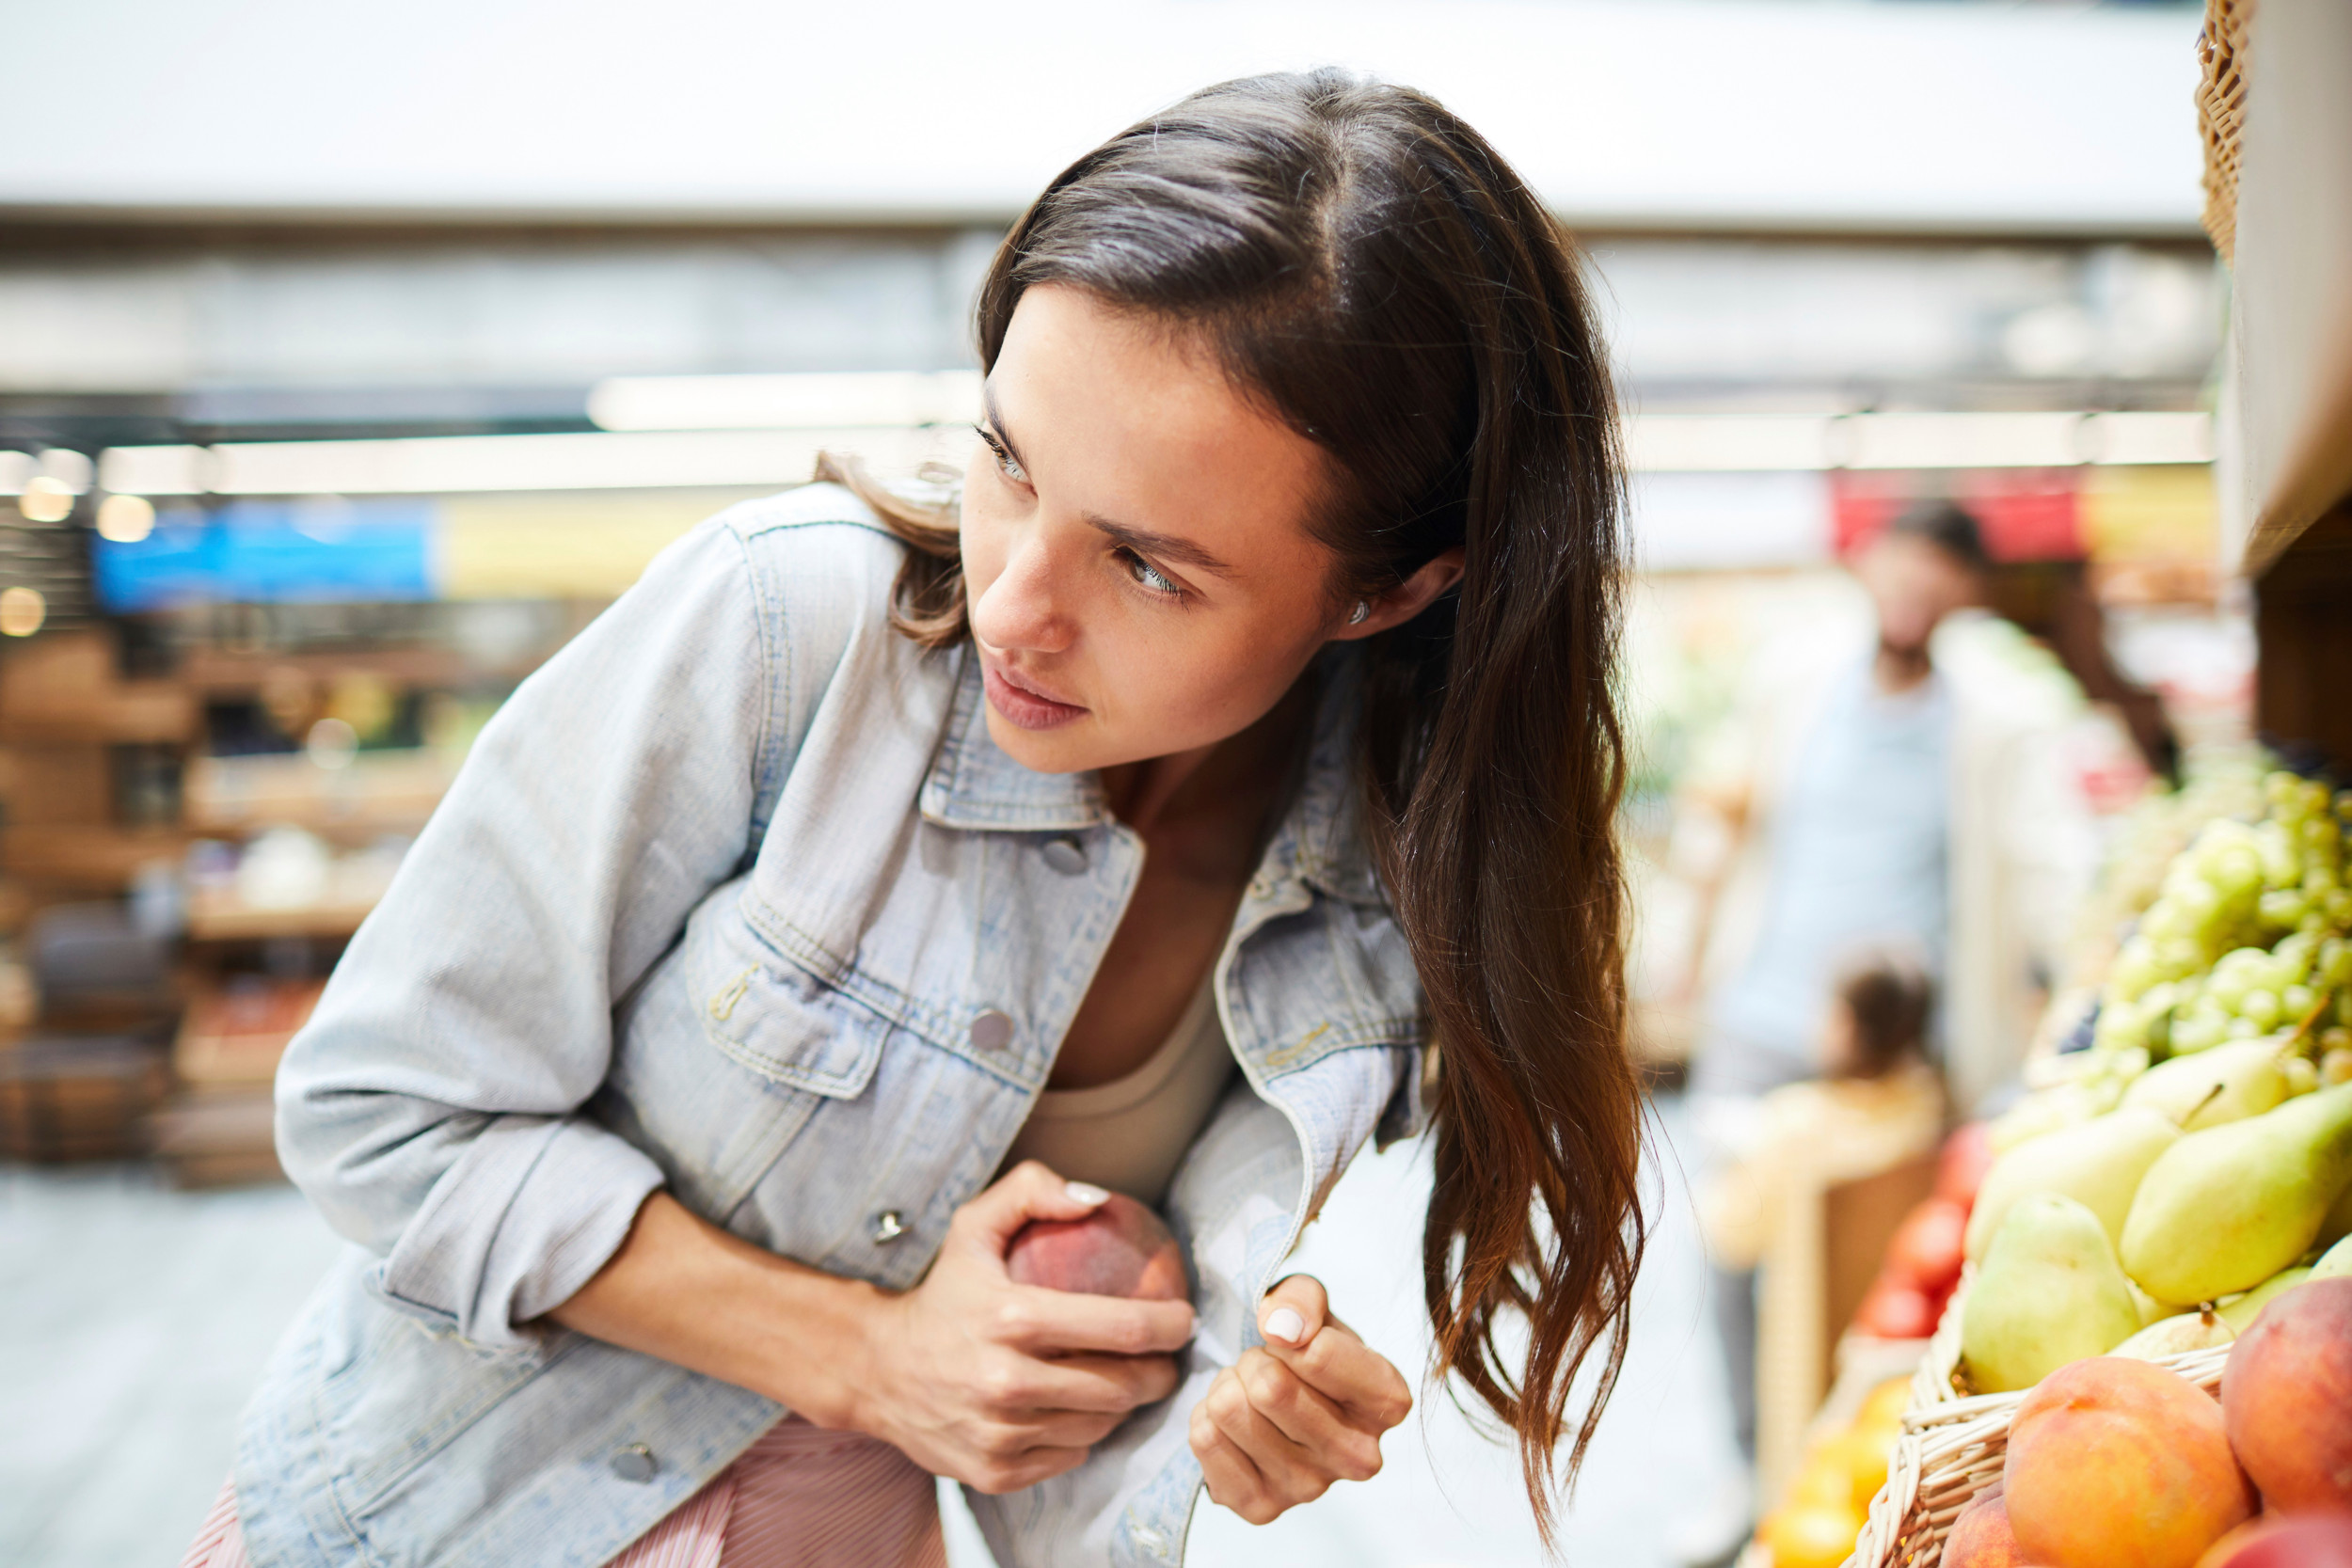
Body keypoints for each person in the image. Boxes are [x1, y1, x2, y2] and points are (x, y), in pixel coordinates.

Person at [184, 71, 1646, 1568]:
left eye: (1146, 565)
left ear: (1392, 589)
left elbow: (1096, 1399)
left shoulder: (1400, 873)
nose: (1010, 606)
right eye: (1007, 457)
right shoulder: (785, 624)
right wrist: (869, 1356)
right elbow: (382, 1108)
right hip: (447, 1515)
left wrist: (1234, 1410)